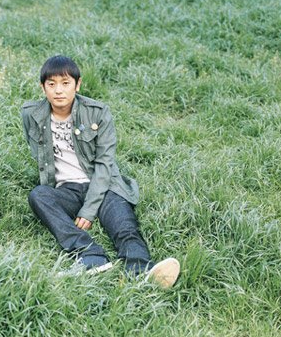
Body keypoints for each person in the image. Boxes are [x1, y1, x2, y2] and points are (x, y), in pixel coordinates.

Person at [21, 55, 179, 288]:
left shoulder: (98, 112)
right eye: (51, 84)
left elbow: (105, 164)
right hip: (66, 189)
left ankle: (141, 271)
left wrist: (88, 211)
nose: (58, 90)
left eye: (65, 83)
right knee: (38, 195)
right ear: (42, 87)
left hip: (104, 186)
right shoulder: (31, 114)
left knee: (124, 228)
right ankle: (90, 256)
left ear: (78, 85)